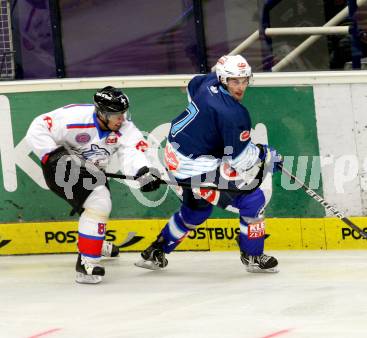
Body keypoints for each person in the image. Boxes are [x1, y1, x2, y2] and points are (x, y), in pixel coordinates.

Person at [135, 55, 283, 273]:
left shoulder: (209, 81)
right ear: (223, 79)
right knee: (253, 200)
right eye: (234, 81)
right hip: (196, 166)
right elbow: (241, 160)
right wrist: (265, 154)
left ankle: (155, 252)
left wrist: (204, 126)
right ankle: (253, 255)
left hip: (175, 152)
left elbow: (193, 84)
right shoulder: (233, 113)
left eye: (244, 80)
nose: (240, 87)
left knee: (197, 212)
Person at [25, 86, 162, 284]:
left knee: (96, 204)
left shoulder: (125, 128)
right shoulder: (74, 117)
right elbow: (38, 126)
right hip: (60, 167)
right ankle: (87, 263)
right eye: (116, 115)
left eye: (123, 113)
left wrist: (143, 172)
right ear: (101, 113)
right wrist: (52, 154)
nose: (121, 119)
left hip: (93, 172)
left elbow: (134, 151)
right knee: (98, 201)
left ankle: (93, 242)